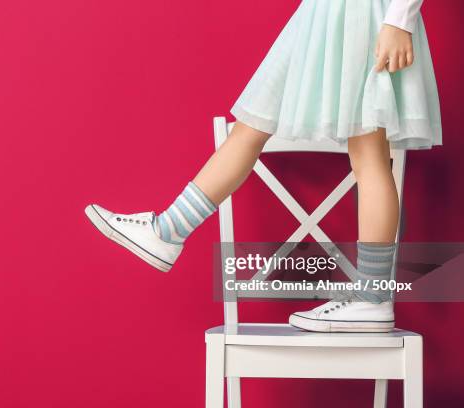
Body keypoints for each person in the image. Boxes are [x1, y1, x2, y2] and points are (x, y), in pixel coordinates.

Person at [84, 0, 442, 332]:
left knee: (369, 155)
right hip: (324, 14)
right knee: (251, 124)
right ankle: (168, 229)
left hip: (363, 17)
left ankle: (372, 296)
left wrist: (399, 20)